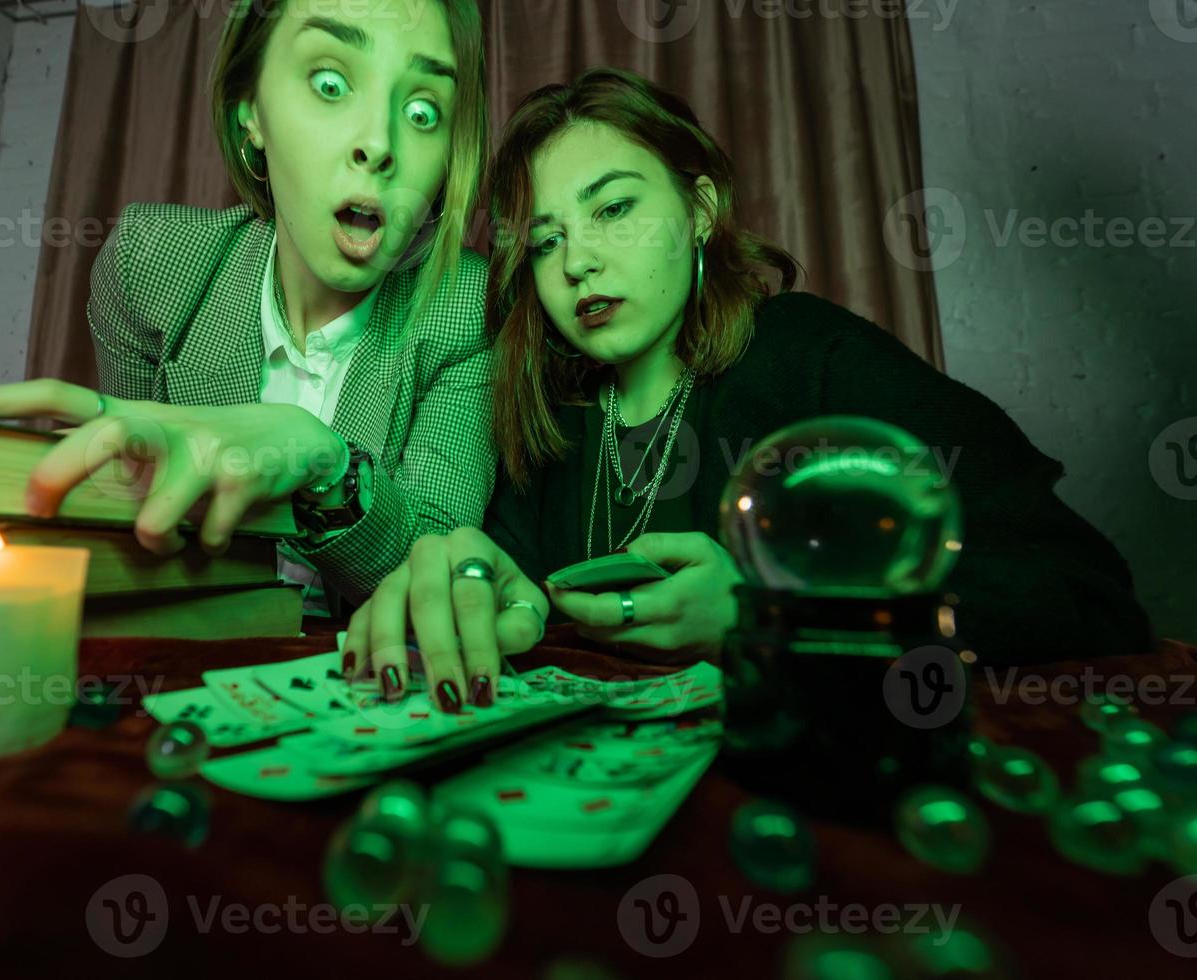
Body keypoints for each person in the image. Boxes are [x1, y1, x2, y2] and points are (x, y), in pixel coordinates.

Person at [341, 66, 1154, 710]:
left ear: (699, 209)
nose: (577, 261)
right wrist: (475, 584)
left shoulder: (813, 357)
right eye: (545, 240)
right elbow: (517, 599)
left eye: (615, 208)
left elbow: (1084, 592)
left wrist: (766, 618)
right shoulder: (551, 424)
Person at [0, 0, 494, 617]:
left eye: (424, 111)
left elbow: (435, 567)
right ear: (250, 115)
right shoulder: (150, 266)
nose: (378, 143)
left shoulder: (468, 307)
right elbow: (135, 535)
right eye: (330, 83)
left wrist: (326, 463)